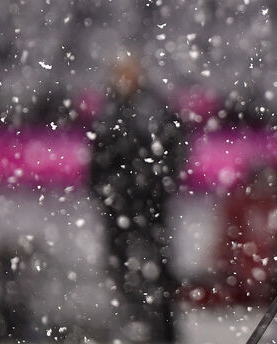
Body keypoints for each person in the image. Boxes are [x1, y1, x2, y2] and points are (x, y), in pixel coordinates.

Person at [88, 56, 187, 343]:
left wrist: (147, 183)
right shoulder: (109, 111)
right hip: (119, 210)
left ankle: (161, 335)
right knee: (123, 280)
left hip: (148, 209)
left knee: (157, 282)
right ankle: (132, 331)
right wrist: (107, 190)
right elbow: (97, 160)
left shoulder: (153, 110)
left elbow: (172, 153)